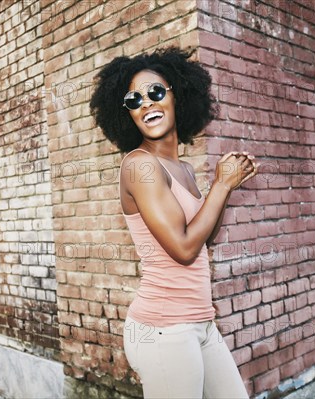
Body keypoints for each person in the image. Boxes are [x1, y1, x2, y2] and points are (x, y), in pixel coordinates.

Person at [90, 47, 257, 398]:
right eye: (134, 100)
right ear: (127, 115)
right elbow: (183, 249)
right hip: (163, 330)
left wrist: (221, 189)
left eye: (156, 92)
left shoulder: (183, 169)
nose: (147, 104)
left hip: (200, 323)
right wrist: (223, 184)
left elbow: (203, 240)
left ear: (177, 97)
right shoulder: (140, 166)